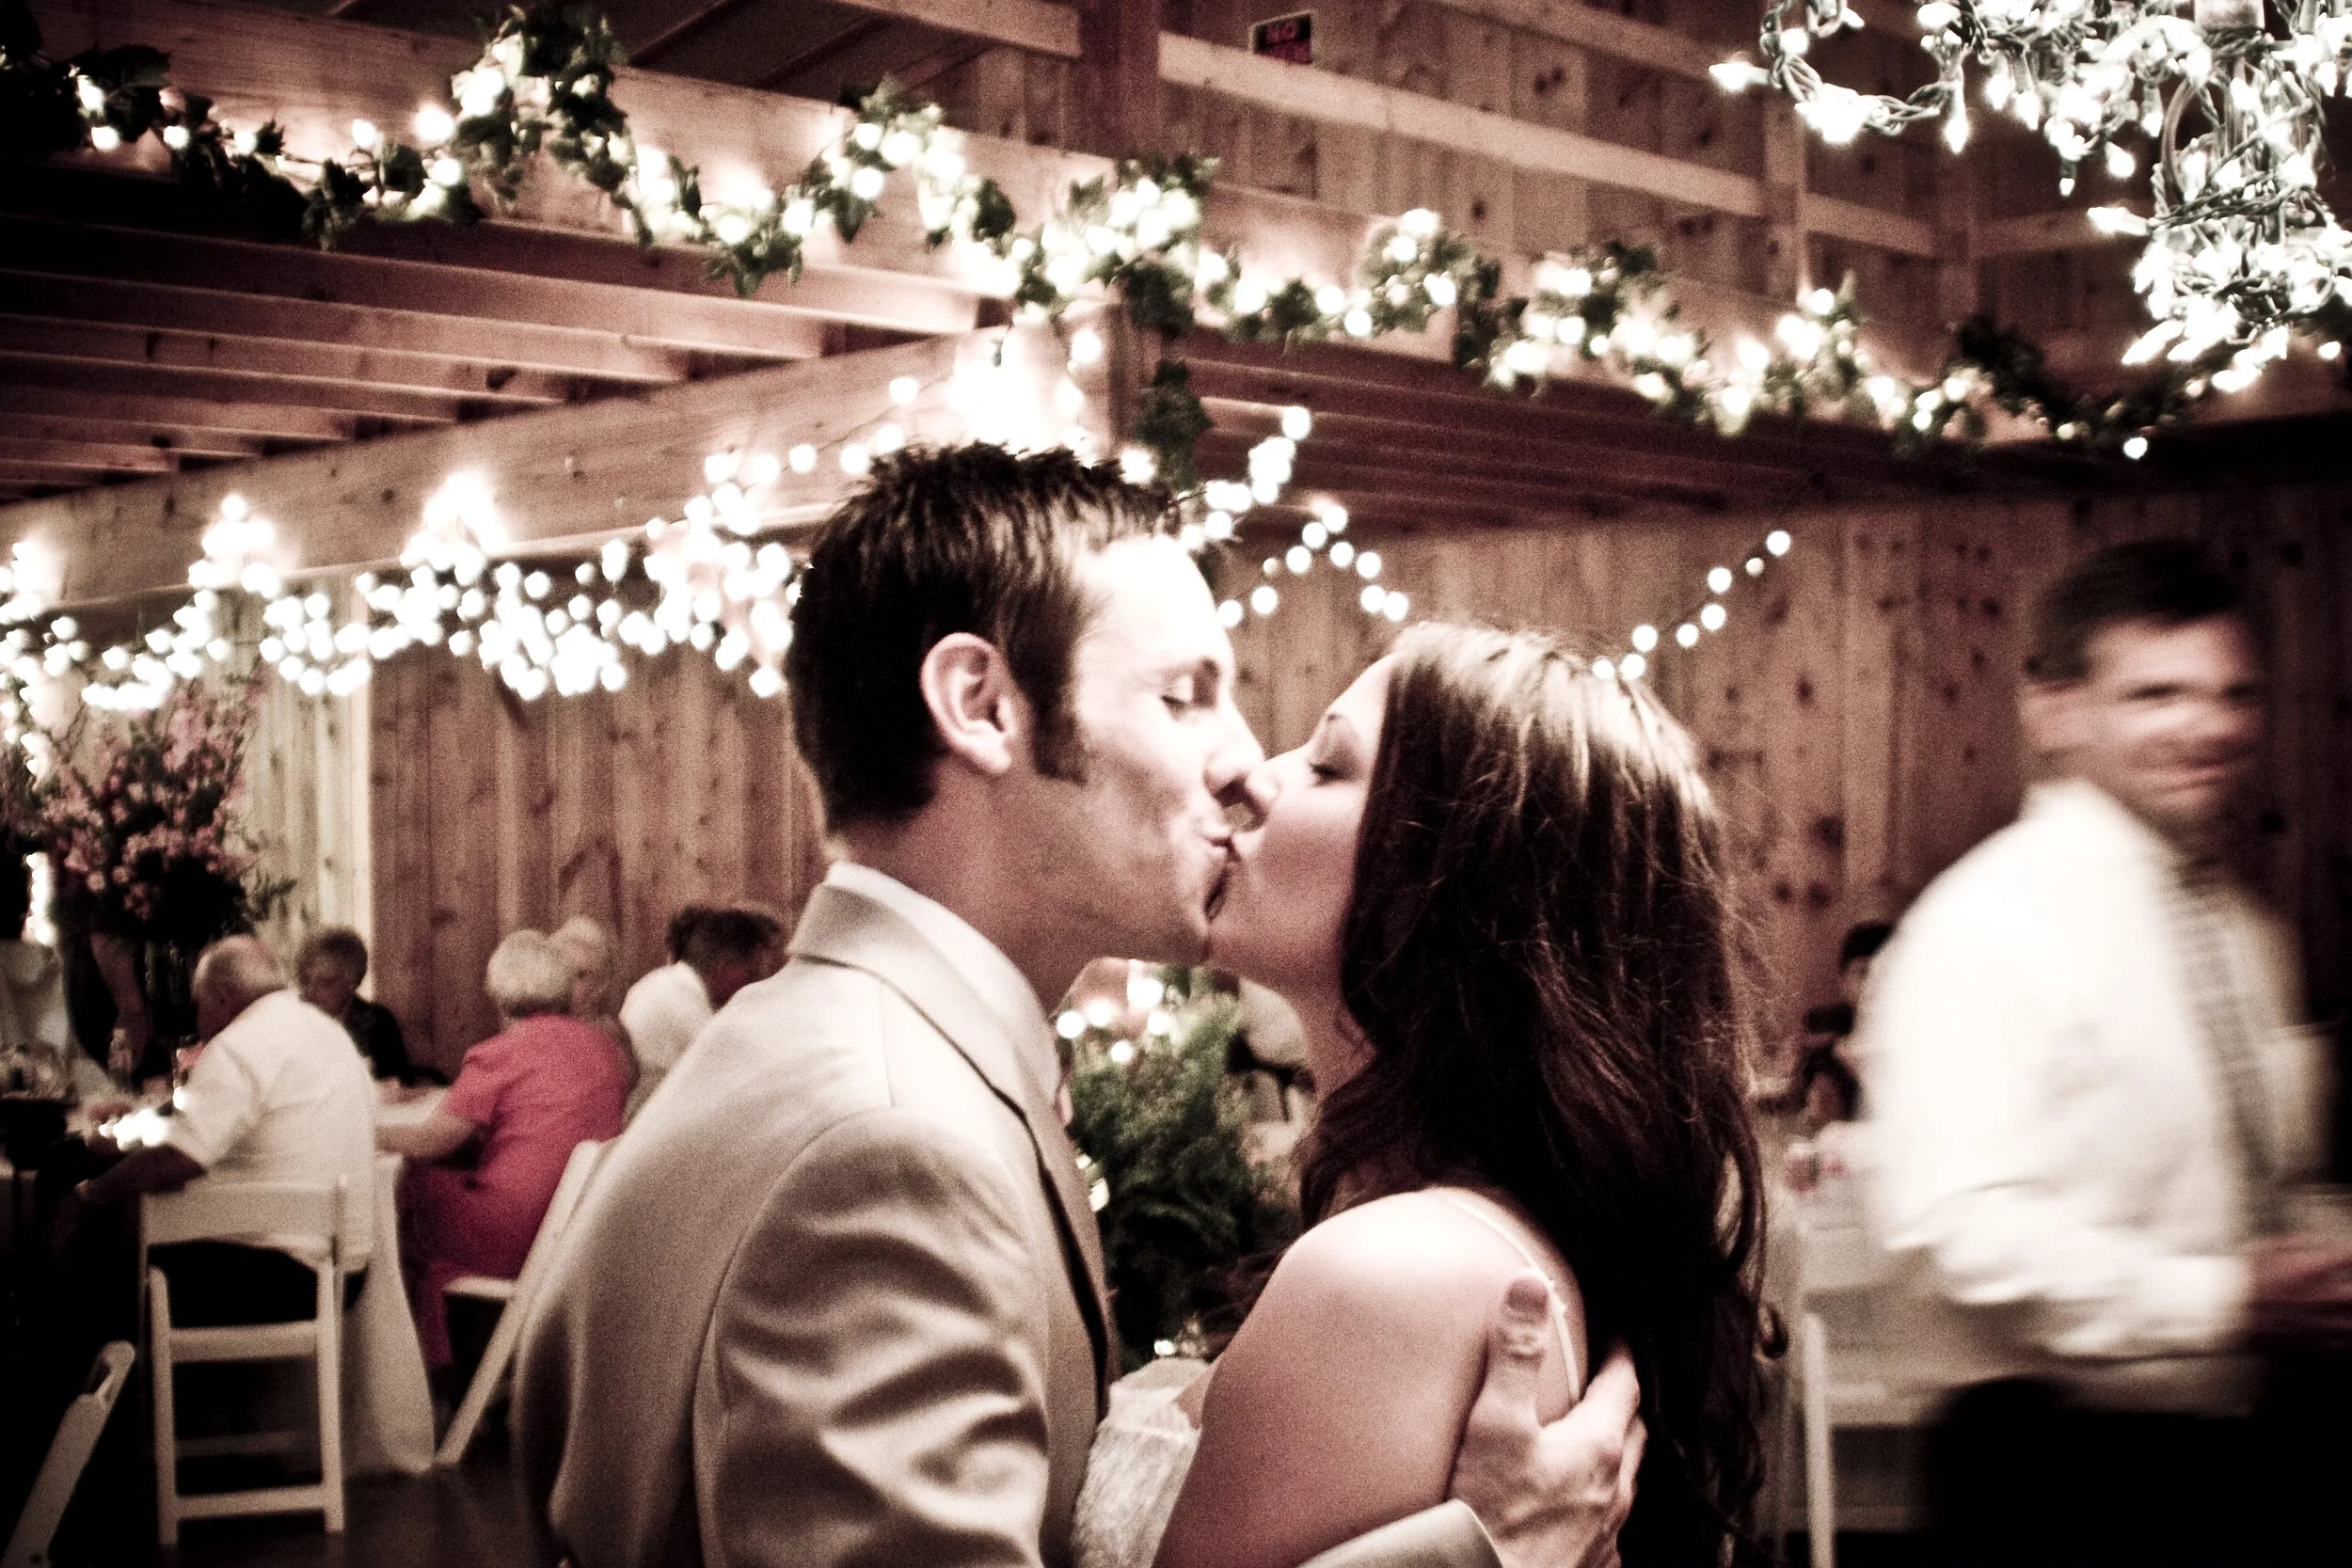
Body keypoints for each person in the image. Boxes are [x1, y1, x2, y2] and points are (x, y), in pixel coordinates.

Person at [515, 445, 1645, 1568]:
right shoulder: (892, 1141)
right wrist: (1479, 1552)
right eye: (1183, 696)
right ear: (982, 705)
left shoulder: (827, 1048)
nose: (1240, 760)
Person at [1080, 625, 1763, 1568]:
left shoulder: (1394, 1274)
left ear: (1457, 884)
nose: (1253, 776)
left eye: (1326, 764)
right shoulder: (1447, 1236)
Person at [1858, 539, 2352, 1566]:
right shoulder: (1986, 925)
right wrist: (2225, 1297)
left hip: (2256, 1458)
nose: (2209, 727)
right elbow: (1960, 1232)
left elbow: (2255, 1178)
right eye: (2156, 694)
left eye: (2234, 694)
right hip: (2058, 1477)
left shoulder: (2240, 929)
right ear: (2055, 711)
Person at [56, 935, 377, 1324]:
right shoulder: (327, 1032)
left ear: (224, 996)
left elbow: (179, 1160)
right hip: (345, 1273)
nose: (197, 1019)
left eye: (200, 1004)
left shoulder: (239, 1044)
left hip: (280, 1277)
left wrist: (88, 1195)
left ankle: (107, 1359)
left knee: (104, 1243)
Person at [382, 928, 628, 1370]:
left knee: (401, 1197)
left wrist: (364, 1130)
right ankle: (457, 1359)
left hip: (513, 1235)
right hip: (573, 1232)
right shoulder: (605, 1048)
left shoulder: (499, 1053)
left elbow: (430, 1141)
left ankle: (414, 1374)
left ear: (496, 993)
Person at [616, 905, 780, 1118]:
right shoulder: (686, 1006)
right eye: (750, 974)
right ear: (725, 968)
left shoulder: (657, 982)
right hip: (651, 1122)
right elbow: (736, 1085)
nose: (753, 984)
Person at [296, 925, 440, 1086]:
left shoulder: (378, 1023)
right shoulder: (292, 1021)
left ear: (353, 983)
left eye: (326, 983)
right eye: (304, 980)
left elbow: (395, 1084)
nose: (309, 992)